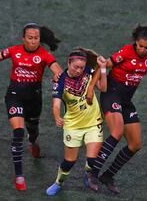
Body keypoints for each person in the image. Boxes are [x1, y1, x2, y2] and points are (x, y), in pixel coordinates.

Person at [0, 22, 63, 191]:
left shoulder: (44, 55)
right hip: (14, 97)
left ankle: (32, 141)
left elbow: (58, 69)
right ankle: (19, 176)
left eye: (36, 38)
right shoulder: (14, 50)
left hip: (34, 100)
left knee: (32, 130)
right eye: (30, 38)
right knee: (18, 132)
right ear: (23, 38)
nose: (33, 41)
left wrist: (57, 76)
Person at [86, 24, 147, 194]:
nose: (143, 50)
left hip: (126, 101)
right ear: (136, 42)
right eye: (140, 46)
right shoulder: (126, 51)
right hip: (111, 94)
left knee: (135, 144)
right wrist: (91, 88)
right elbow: (105, 65)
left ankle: (108, 176)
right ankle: (93, 173)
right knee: (117, 132)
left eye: (146, 48)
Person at [45, 49, 108, 196]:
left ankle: (88, 175)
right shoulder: (60, 80)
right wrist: (56, 116)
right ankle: (58, 182)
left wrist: (103, 69)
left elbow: (103, 87)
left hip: (93, 122)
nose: (79, 70)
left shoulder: (88, 70)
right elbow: (56, 104)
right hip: (73, 126)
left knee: (93, 160)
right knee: (69, 161)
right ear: (68, 63)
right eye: (75, 67)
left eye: (81, 67)